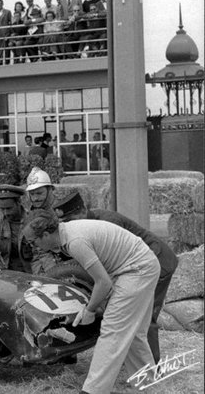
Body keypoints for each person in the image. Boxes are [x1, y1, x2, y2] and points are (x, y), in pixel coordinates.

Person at [22, 209, 160, 394]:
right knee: (133, 334)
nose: (34, 246)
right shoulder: (67, 233)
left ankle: (93, 391)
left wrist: (90, 310)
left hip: (137, 269)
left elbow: (103, 282)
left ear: (46, 234)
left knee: (113, 330)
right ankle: (148, 385)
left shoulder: (74, 241)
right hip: (139, 265)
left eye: (34, 241)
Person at [53, 191, 178, 364]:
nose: (68, 226)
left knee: (144, 318)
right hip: (132, 268)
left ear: (82, 211)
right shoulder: (82, 227)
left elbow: (114, 265)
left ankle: (152, 367)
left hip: (156, 261)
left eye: (71, 219)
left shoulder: (106, 222)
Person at [21, 167, 57, 274]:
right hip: (35, 266)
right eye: (32, 194)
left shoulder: (58, 211)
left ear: (49, 190)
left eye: (39, 193)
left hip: (56, 266)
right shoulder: (29, 211)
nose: (35, 198)